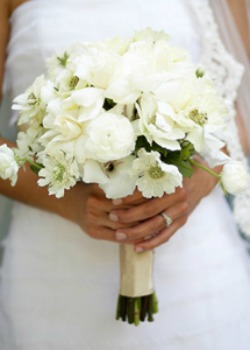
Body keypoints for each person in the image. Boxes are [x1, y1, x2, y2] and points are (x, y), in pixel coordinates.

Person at [0, 0, 250, 349]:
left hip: (197, 267)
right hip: (56, 274)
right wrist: (70, 204)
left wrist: (200, 179)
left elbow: (244, 105)